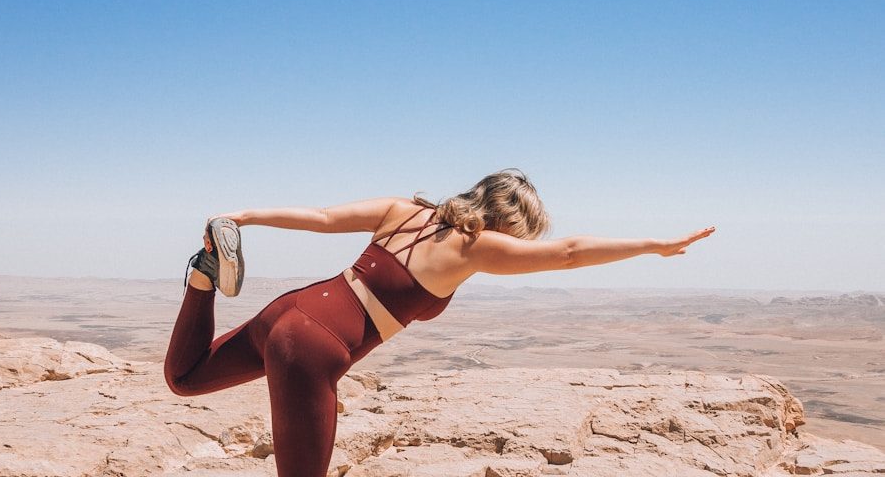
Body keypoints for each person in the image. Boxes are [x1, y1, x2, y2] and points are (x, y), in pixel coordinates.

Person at [164, 168, 714, 477]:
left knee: (185, 378)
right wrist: (653, 246)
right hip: (313, 348)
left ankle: (202, 279)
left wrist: (245, 216)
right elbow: (569, 252)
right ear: (510, 223)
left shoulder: (402, 210)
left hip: (291, 309)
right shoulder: (476, 247)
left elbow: (322, 219)